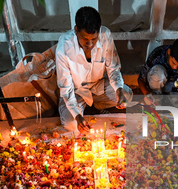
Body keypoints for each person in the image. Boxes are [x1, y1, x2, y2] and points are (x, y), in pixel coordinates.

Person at [56, 6, 133, 134]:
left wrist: (118, 90)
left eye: (94, 39)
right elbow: (66, 88)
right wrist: (77, 116)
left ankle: (97, 105)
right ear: (76, 30)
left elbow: (113, 69)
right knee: (71, 125)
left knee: (127, 96)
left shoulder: (105, 35)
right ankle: (82, 109)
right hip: (76, 91)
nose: (90, 45)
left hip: (99, 86)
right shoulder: (64, 46)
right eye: (85, 39)